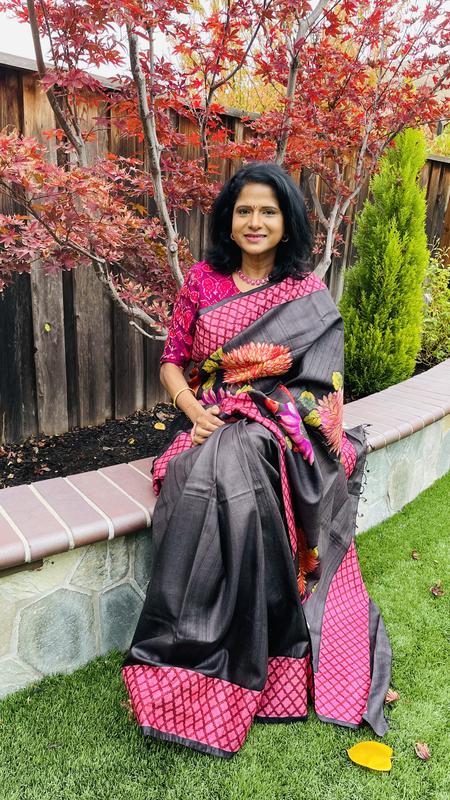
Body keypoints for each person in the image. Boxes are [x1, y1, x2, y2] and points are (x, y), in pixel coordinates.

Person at [122, 161, 391, 759]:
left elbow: (321, 388)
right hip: (207, 416)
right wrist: (193, 409)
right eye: (244, 209)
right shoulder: (203, 280)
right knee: (194, 471)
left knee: (236, 459)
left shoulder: (307, 295)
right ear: (228, 217)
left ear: (287, 221)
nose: (255, 221)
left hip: (278, 429)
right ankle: (196, 659)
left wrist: (262, 412)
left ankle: (250, 656)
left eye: (268, 210)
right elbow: (173, 359)